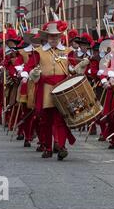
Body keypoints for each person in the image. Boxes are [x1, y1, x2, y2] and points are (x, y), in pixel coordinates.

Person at [23, 20, 78, 160]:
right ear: (46, 37)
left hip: (63, 88)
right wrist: (31, 74)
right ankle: (47, 147)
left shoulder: (67, 51)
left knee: (61, 119)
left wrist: (77, 68)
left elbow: (73, 68)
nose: (54, 39)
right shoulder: (38, 52)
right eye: (51, 36)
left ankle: (61, 146)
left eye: (56, 36)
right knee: (46, 120)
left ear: (60, 37)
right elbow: (29, 68)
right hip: (45, 87)